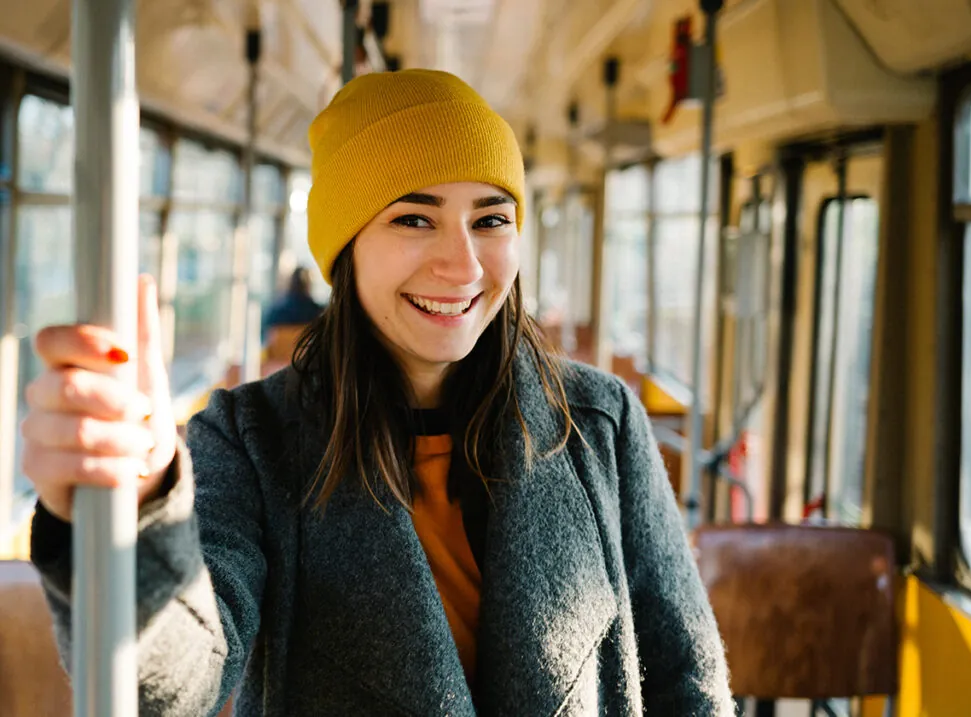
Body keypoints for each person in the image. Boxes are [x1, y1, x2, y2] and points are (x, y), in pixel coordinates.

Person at [21, 69, 733, 716]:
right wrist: (140, 508)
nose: (463, 264)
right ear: (345, 247)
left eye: (491, 219)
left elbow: (686, 681)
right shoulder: (251, 439)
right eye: (413, 218)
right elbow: (172, 686)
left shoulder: (598, 425)